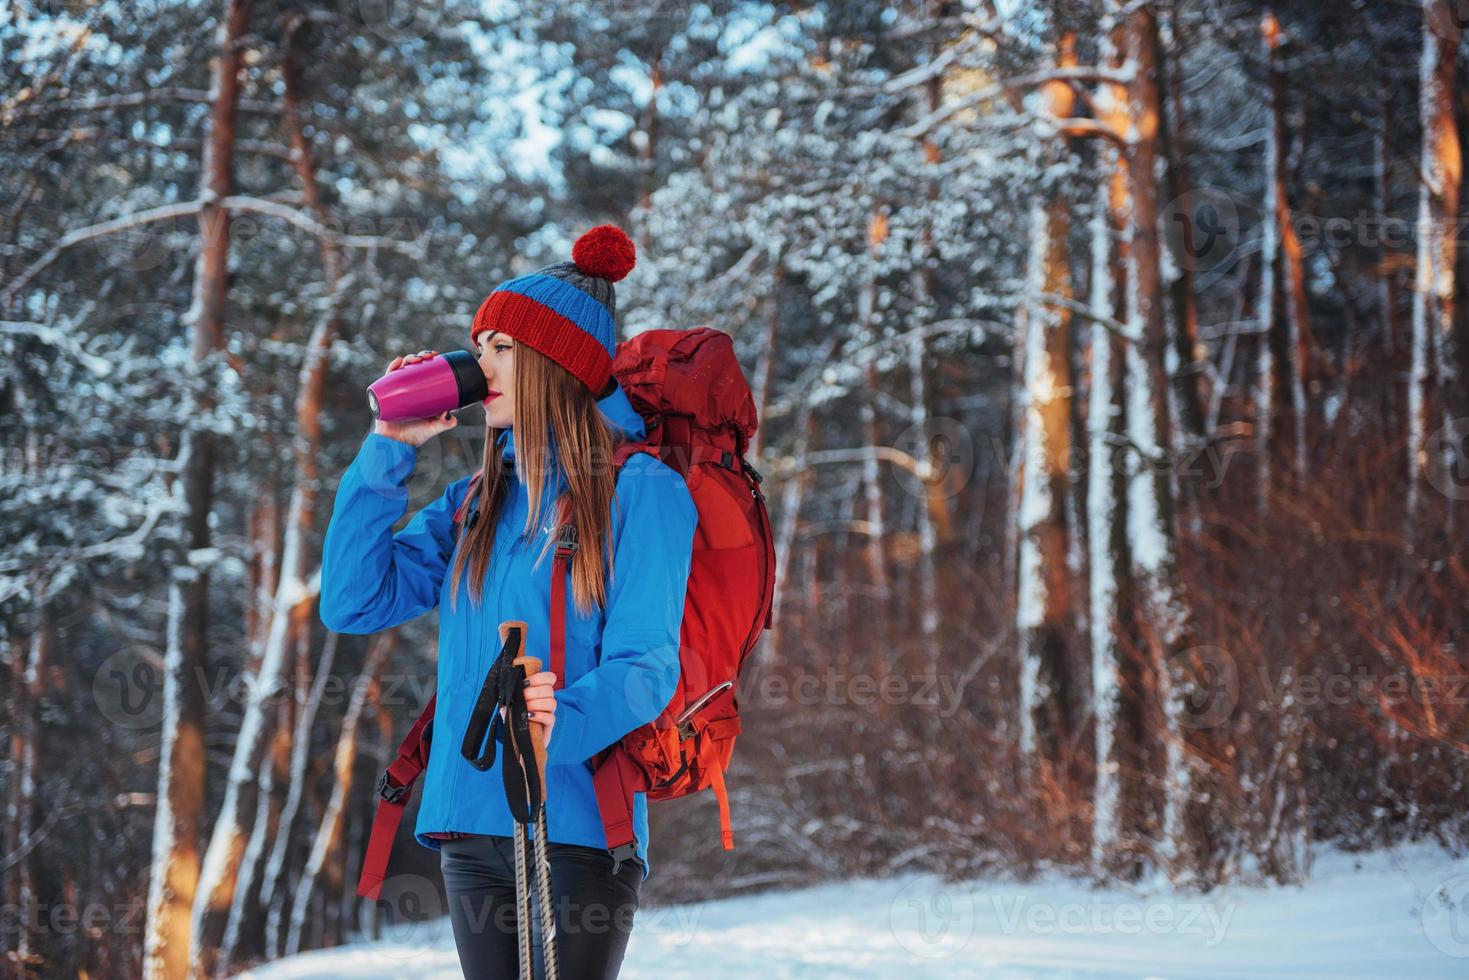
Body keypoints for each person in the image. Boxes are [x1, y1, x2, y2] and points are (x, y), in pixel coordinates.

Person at [319, 225, 698, 979]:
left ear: (555, 365)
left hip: (577, 824)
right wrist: (389, 446)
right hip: (467, 823)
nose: (474, 365)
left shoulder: (641, 491)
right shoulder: (476, 502)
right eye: (478, 344)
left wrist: (563, 717)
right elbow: (353, 602)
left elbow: (646, 665)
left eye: (499, 348)